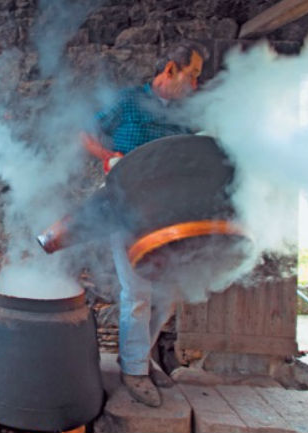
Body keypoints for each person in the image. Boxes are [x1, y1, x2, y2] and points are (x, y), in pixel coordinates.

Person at [86, 41, 206, 408]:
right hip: (125, 206)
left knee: (166, 293)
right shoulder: (128, 101)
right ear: (170, 69)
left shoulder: (186, 113)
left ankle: (141, 358)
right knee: (137, 290)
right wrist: (108, 158)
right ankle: (134, 372)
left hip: (168, 213)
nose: (196, 85)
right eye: (193, 75)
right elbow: (84, 133)